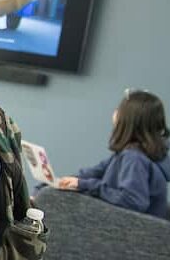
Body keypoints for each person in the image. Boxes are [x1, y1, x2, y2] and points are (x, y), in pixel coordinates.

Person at [56, 89, 170, 218]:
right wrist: (61, 182)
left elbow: (133, 200)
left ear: (130, 119)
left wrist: (85, 184)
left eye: (119, 109)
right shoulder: (133, 153)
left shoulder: (134, 158)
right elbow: (94, 172)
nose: (115, 112)